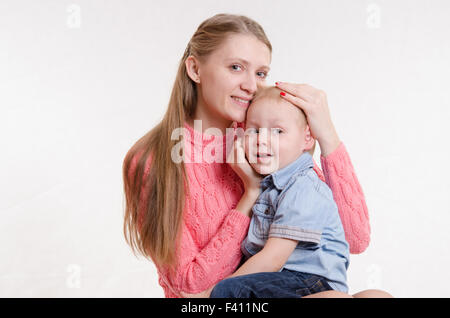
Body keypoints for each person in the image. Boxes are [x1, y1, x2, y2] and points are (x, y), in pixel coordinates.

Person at [122, 13, 390, 298]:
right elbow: (190, 289)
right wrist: (249, 195)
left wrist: (327, 136)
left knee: (376, 296)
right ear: (195, 69)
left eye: (260, 73)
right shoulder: (153, 159)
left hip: (278, 291)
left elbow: (354, 238)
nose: (252, 86)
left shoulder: (266, 137)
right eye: (236, 67)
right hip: (218, 301)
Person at [207, 85, 349, 298]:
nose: (262, 140)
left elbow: (272, 260)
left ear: (307, 138)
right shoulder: (269, 183)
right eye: (254, 130)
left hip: (312, 281)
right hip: (285, 279)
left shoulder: (302, 185)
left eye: (278, 131)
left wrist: (206, 296)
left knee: (228, 290)